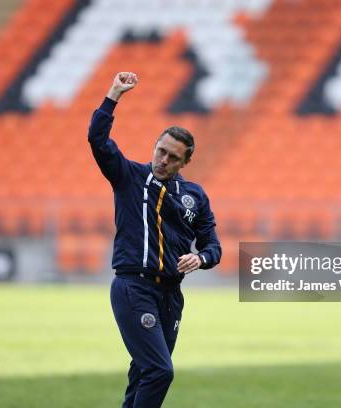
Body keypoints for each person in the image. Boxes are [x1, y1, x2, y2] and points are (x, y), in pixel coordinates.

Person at [88, 72, 222, 407]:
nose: (163, 160)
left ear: (185, 162)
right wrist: (113, 96)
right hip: (135, 287)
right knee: (160, 370)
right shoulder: (130, 176)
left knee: (144, 372)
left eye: (173, 157)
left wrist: (201, 258)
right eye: (160, 151)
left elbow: (213, 247)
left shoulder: (195, 196)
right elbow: (97, 140)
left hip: (170, 295)